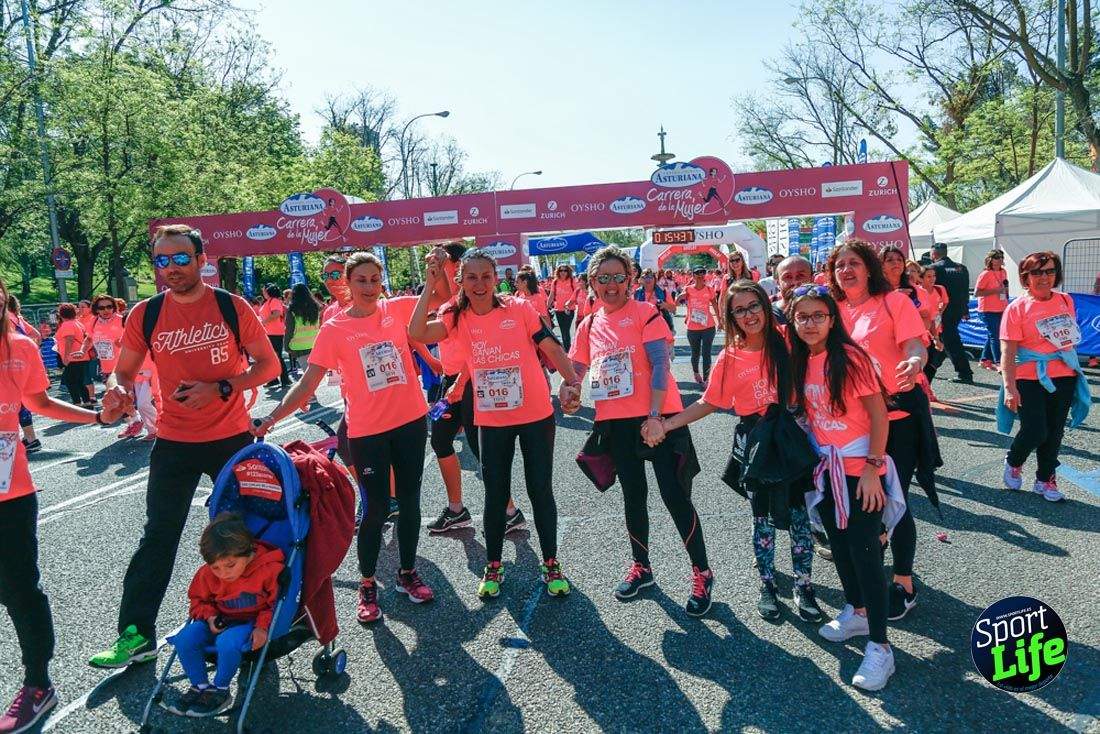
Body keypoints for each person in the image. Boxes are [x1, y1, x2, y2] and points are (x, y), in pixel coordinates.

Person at [89, 225, 280, 669]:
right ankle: (136, 635)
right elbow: (123, 371)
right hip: (174, 442)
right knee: (158, 538)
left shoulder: (231, 307)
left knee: (249, 534)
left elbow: (268, 364)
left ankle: (259, 625)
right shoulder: (146, 313)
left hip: (231, 439)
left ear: (200, 259)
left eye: (180, 259)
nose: (171, 269)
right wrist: (115, 391)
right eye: (161, 261)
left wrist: (222, 387)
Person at [253, 251, 443, 624]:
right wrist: (272, 417)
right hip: (367, 430)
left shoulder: (397, 309)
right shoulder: (334, 329)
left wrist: (436, 275)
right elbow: (308, 383)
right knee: (374, 508)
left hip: (410, 422)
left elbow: (438, 300)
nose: (369, 287)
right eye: (361, 280)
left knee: (410, 501)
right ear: (348, 284)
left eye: (375, 279)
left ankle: (407, 573)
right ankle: (369, 582)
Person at [409, 248, 581, 599]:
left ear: (496, 278)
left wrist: (572, 382)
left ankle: (551, 563)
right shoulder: (457, 318)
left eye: (486, 276)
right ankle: (494, 565)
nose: (479, 283)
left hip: (535, 414)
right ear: (461, 281)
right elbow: (417, 332)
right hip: (491, 419)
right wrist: (429, 284)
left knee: (539, 490)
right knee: (495, 493)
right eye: (471, 277)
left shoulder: (518, 308)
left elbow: (549, 344)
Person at [0, 277, 130, 734]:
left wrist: (96, 416)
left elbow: (38, 402)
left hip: (8, 494)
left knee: (18, 591)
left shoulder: (19, 346)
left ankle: (38, 683)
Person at [661, 280, 823, 622]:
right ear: (730, 316)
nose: (749, 315)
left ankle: (803, 585)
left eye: (754, 306)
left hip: (791, 438)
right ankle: (767, 584)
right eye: (739, 310)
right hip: (756, 441)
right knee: (761, 517)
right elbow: (709, 402)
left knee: (799, 517)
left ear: (765, 305)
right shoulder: (729, 356)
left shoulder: (788, 340)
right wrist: (667, 424)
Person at [567, 246, 714, 615]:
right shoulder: (587, 324)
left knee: (674, 496)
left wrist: (654, 417)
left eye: (619, 277)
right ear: (592, 283)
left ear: (630, 280)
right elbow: (578, 369)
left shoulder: (646, 313)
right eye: (603, 278)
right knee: (633, 496)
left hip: (657, 418)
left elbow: (661, 366)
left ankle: (702, 571)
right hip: (615, 424)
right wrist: (570, 391)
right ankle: (642, 567)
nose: (611, 285)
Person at [787, 285, 904, 691]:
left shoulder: (850, 358)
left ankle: (880, 647)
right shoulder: (804, 360)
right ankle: (856, 611)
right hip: (827, 470)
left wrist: (873, 469)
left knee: (866, 553)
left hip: (859, 472)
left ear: (832, 319)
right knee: (838, 546)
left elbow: (879, 416)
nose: (810, 323)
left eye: (818, 315)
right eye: (802, 317)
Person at [828, 239, 932, 621]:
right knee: (865, 505)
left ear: (869, 267)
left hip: (898, 418)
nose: (847, 270)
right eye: (840, 266)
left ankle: (903, 583)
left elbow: (914, 344)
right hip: (852, 425)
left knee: (895, 499)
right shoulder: (834, 311)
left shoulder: (894, 302)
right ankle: (871, 571)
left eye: (854, 263)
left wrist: (915, 362)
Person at [165, 513, 283, 718]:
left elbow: (275, 605)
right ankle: (200, 686)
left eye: (230, 565)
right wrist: (209, 617)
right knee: (185, 638)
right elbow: (198, 601)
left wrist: (262, 627)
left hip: (250, 620)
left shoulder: (269, 570)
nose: (224, 573)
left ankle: (221, 689)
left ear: (248, 554)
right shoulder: (207, 574)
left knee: (227, 642)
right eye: (216, 567)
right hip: (219, 617)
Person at [999, 251, 1090, 503]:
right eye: (1036, 272)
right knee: (1036, 430)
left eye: (1049, 271)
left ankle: (1045, 478)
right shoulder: (1016, 308)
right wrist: (1009, 388)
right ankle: (1014, 460)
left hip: (1064, 374)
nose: (1044, 277)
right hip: (1029, 377)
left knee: (1054, 431)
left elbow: (1068, 336)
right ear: (1025, 277)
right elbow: (1008, 351)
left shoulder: (1065, 300)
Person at [928, 242, 973, 384]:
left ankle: (965, 373)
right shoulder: (961, 268)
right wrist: (965, 309)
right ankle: (931, 368)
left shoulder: (935, 268)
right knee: (944, 339)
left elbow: (933, 290)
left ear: (934, 254)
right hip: (958, 309)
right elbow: (966, 291)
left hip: (943, 309)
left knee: (950, 340)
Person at [6, 296, 42, 454]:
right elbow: (37, 335)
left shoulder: (7, 319)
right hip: (18, 366)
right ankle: (30, 438)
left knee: (12, 404)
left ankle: (26, 440)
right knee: (19, 403)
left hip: (8, 367)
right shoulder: (18, 318)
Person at [677, 267, 721, 385]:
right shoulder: (688, 289)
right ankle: (696, 373)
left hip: (708, 327)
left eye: (702, 272)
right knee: (695, 352)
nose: (700, 275)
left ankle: (706, 379)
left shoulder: (709, 289)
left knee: (706, 353)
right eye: (697, 273)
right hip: (693, 328)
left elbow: (715, 306)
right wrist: (680, 297)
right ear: (693, 275)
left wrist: (720, 321)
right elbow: (676, 303)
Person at [974, 250, 1010, 370]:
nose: (999, 259)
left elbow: (1005, 287)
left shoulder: (1003, 272)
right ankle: (998, 362)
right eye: (996, 257)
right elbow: (977, 293)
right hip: (987, 310)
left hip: (1001, 307)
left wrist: (1006, 294)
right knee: (995, 335)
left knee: (993, 335)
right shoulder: (985, 274)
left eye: (1001, 257)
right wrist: (995, 291)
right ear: (990, 259)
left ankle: (985, 360)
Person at [54, 303, 93, 406]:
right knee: (80, 382)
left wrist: (66, 357)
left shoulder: (67, 324)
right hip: (81, 356)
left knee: (70, 381)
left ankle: (77, 403)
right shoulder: (78, 323)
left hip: (72, 357)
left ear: (61, 314)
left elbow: (69, 339)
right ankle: (87, 402)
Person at [285, 283, 321, 378]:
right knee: (311, 374)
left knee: (307, 376)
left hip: (299, 346)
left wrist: (286, 346)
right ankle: (311, 392)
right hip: (314, 344)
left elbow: (289, 330)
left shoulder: (292, 310)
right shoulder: (315, 307)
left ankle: (310, 393)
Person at [259, 284, 291, 388]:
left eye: (264, 290)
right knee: (272, 357)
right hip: (269, 332)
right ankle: (275, 379)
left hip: (275, 333)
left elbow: (276, 314)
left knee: (276, 356)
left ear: (268, 291)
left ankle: (284, 379)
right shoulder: (269, 301)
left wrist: (263, 322)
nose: (262, 292)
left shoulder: (274, 301)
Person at [548, 264, 578, 351]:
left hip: (569, 309)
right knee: (563, 330)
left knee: (566, 330)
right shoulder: (555, 282)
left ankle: (568, 350)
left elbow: (576, 293)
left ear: (568, 272)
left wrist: (570, 303)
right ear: (558, 272)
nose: (563, 272)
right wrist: (547, 306)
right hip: (558, 310)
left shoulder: (572, 281)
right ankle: (567, 349)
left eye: (565, 270)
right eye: (561, 270)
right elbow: (551, 295)